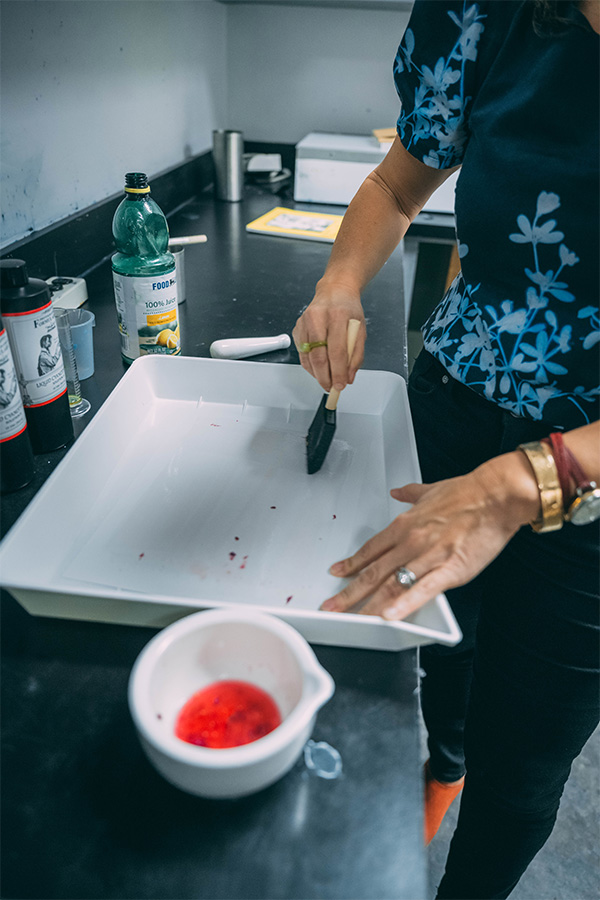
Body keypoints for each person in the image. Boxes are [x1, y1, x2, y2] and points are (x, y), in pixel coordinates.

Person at [292, 1, 599, 897]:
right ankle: (444, 763)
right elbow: (395, 186)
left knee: (529, 757)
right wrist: (340, 282)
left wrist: (519, 483)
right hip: (454, 399)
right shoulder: (482, 10)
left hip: (587, 484)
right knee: (435, 649)